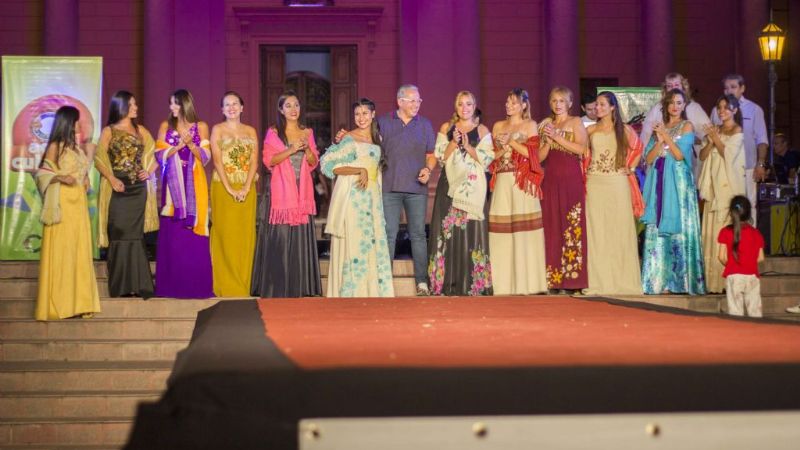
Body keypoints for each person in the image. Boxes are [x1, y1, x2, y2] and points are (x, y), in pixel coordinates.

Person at [321, 98, 394, 297]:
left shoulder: (376, 138)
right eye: (357, 114)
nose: (361, 118)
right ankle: (353, 291)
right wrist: (358, 169)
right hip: (354, 198)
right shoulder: (349, 138)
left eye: (364, 113)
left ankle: (372, 290)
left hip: (372, 198)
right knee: (355, 243)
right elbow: (328, 164)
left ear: (373, 114)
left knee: (371, 242)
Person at [252, 91, 322, 297]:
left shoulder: (307, 132)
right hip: (281, 194)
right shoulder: (273, 132)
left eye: (297, 105)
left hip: (302, 193)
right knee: (281, 239)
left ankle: (301, 286)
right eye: (288, 106)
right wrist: (291, 149)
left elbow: (313, 162)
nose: (293, 109)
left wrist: (307, 149)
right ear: (281, 110)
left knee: (300, 239)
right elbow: (269, 161)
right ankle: (278, 286)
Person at [34, 105, 101, 319]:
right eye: (75, 121)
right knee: (63, 251)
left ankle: (79, 303)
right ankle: (60, 303)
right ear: (66, 122)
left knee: (78, 251)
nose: (78, 125)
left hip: (78, 203)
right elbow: (42, 173)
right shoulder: (56, 145)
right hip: (62, 201)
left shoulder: (76, 147)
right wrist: (60, 177)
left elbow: (81, 171)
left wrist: (85, 178)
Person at [428, 91, 494, 296]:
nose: (464, 108)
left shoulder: (482, 130)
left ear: (474, 106)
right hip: (449, 186)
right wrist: (453, 142)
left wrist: (467, 146)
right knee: (446, 233)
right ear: (455, 107)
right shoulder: (446, 128)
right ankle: (445, 283)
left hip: (473, 189)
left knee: (471, 233)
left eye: (468, 104)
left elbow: (486, 159)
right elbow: (440, 157)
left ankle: (472, 284)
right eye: (460, 104)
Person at [641, 89, 705, 295]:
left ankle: (682, 281)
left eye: (679, 103)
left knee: (679, 229)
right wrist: (659, 140)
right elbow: (649, 159)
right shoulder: (659, 128)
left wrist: (665, 137)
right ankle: (657, 280)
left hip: (678, 185)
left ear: (684, 105)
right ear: (666, 106)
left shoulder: (687, 126)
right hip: (659, 182)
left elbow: (679, 155)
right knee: (657, 227)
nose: (675, 106)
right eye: (671, 103)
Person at [95, 91, 158, 299]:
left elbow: (155, 155)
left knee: (135, 236)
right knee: (119, 233)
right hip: (117, 187)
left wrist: (148, 171)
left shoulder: (141, 131)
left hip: (137, 188)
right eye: (131, 104)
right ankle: (121, 286)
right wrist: (112, 179)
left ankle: (140, 285)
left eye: (135, 104)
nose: (136, 107)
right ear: (120, 106)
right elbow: (99, 159)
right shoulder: (109, 131)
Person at [375, 85, 437, 295]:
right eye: (412, 100)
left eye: (419, 101)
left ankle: (422, 282)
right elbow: (370, 147)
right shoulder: (383, 122)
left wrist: (428, 169)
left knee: (418, 235)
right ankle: (385, 282)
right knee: (389, 234)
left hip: (416, 189)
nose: (416, 105)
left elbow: (431, 154)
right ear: (400, 101)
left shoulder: (425, 124)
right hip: (389, 188)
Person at [582, 91, 644, 295]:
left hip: (617, 183)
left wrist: (631, 167)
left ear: (612, 107)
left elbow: (638, 148)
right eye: (596, 105)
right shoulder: (590, 130)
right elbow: (583, 157)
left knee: (619, 232)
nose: (598, 108)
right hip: (595, 183)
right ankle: (598, 282)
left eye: (601, 105)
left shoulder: (624, 130)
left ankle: (622, 281)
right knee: (597, 233)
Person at [154, 89, 214, 299]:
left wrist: (189, 143)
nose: (171, 107)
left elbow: (205, 156)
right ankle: (171, 286)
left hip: (195, 188)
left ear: (185, 104)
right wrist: (178, 145)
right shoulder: (165, 126)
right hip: (172, 191)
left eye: (175, 104)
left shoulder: (202, 126)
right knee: (174, 238)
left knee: (193, 239)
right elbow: (159, 153)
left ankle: (196, 286)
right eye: (171, 103)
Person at [488, 88, 547, 295]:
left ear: (523, 105)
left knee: (524, 232)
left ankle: (528, 283)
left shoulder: (530, 125)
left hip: (522, 182)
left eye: (514, 102)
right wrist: (502, 149)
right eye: (507, 101)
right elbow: (491, 157)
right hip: (503, 180)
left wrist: (511, 142)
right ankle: (503, 284)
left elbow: (533, 156)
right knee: (502, 232)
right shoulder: (497, 126)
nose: (509, 105)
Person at [539, 86, 589, 293]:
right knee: (552, 227)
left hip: (571, 179)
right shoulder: (545, 124)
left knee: (572, 226)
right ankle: (554, 279)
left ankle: (574, 281)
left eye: (561, 100)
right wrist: (549, 141)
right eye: (554, 101)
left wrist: (558, 138)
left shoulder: (576, 122)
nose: (557, 104)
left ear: (569, 103)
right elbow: (540, 158)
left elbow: (582, 149)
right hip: (550, 179)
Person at [209, 91, 259, 297]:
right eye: (227, 104)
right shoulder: (217, 130)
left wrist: (246, 187)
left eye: (235, 103)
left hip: (247, 188)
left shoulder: (250, 131)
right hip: (223, 186)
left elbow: (254, 161)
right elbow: (217, 160)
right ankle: (225, 284)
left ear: (242, 107)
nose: (231, 107)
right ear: (222, 110)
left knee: (244, 235)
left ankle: (244, 283)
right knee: (225, 233)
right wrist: (230, 188)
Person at [698, 95, 746, 293]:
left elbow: (728, 155)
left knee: (725, 231)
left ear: (735, 110)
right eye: (719, 108)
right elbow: (702, 156)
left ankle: (728, 281)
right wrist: (710, 140)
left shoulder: (737, 130)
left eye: (727, 107)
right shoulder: (715, 130)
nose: (722, 111)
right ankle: (711, 282)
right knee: (711, 233)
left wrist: (715, 137)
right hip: (713, 188)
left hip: (728, 188)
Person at [710, 74, 769, 223]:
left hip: (747, 167)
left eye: (733, 87)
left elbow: (761, 139)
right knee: (725, 204)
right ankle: (727, 242)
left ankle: (750, 242)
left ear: (742, 88)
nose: (729, 91)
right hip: (724, 167)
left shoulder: (754, 109)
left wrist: (760, 164)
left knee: (748, 204)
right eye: (726, 88)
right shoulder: (717, 111)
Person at [639, 73, 711, 180]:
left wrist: (690, 139)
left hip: (683, 162)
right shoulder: (657, 108)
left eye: (676, 85)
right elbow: (646, 135)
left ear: (683, 86)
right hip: (660, 160)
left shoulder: (694, 108)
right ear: (665, 89)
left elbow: (707, 134)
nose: (673, 88)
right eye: (669, 86)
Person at [718, 195, 764, 317]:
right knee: (755, 312)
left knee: (735, 312)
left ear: (731, 212)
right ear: (749, 213)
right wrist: (748, 263)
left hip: (734, 276)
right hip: (752, 276)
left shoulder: (725, 231)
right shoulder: (756, 233)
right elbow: (761, 258)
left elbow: (721, 257)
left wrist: (733, 265)